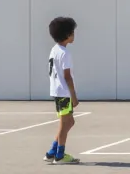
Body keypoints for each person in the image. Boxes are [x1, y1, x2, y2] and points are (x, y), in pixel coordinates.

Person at [44, 17, 80, 164]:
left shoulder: (54, 50)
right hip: (63, 93)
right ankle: (59, 155)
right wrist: (74, 96)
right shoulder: (65, 53)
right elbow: (67, 77)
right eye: (73, 32)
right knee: (65, 124)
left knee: (69, 122)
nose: (74, 35)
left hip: (56, 92)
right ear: (67, 34)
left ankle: (52, 151)